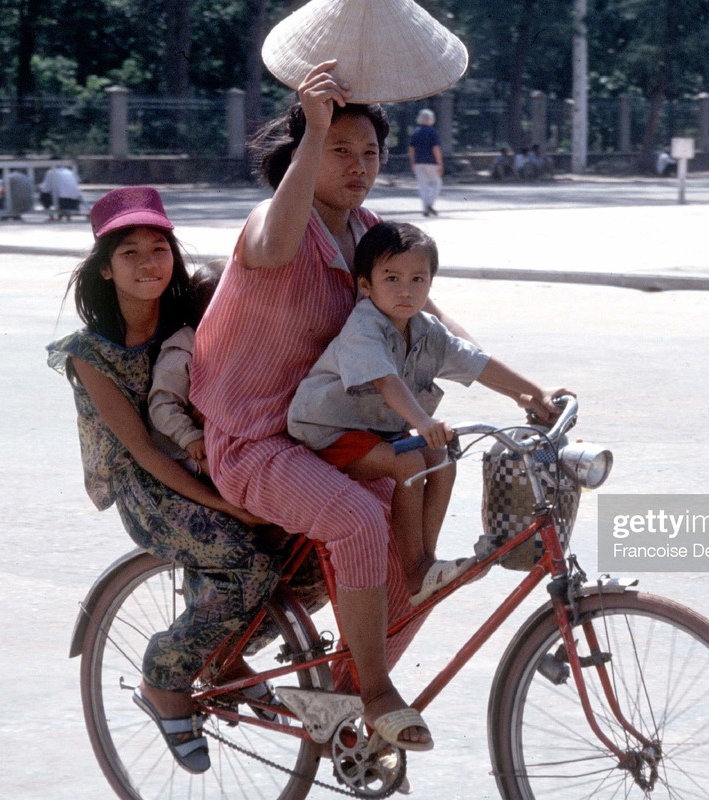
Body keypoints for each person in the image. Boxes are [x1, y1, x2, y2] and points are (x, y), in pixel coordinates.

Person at [190, 61, 563, 754]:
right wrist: (317, 126)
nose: (359, 165)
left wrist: (525, 392)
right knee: (360, 518)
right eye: (340, 149)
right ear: (308, 149)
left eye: (370, 153)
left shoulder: (371, 235)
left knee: (417, 552)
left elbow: (435, 326)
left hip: (339, 434)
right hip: (258, 441)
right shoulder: (275, 223)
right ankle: (375, 690)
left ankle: (336, 697)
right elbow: (275, 239)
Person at [47, 187, 279, 775]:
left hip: (208, 462)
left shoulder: (191, 317)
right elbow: (145, 448)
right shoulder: (87, 354)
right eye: (131, 253)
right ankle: (164, 676)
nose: (150, 263)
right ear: (105, 267)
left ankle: (223, 657)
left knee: (302, 555)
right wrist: (223, 502)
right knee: (246, 560)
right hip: (146, 485)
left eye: (160, 248)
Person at [287, 221, 558, 607]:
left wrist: (532, 394)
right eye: (392, 278)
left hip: (374, 431)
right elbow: (386, 383)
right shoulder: (364, 327)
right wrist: (424, 422)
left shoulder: (427, 329)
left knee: (443, 458)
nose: (405, 290)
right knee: (410, 461)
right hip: (328, 432)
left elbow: (476, 363)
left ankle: (425, 563)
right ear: (366, 285)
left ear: (431, 284)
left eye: (418, 279)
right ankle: (415, 571)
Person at [149, 259, 224, 477]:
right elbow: (163, 403)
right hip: (188, 446)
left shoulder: (242, 343)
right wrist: (188, 437)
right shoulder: (184, 348)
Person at [408, 108, 443, 216]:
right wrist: (440, 163)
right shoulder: (433, 132)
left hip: (418, 162)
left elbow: (411, 149)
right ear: (431, 119)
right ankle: (430, 204)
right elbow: (436, 148)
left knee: (423, 186)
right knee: (437, 183)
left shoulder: (416, 132)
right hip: (432, 162)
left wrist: (413, 163)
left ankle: (425, 208)